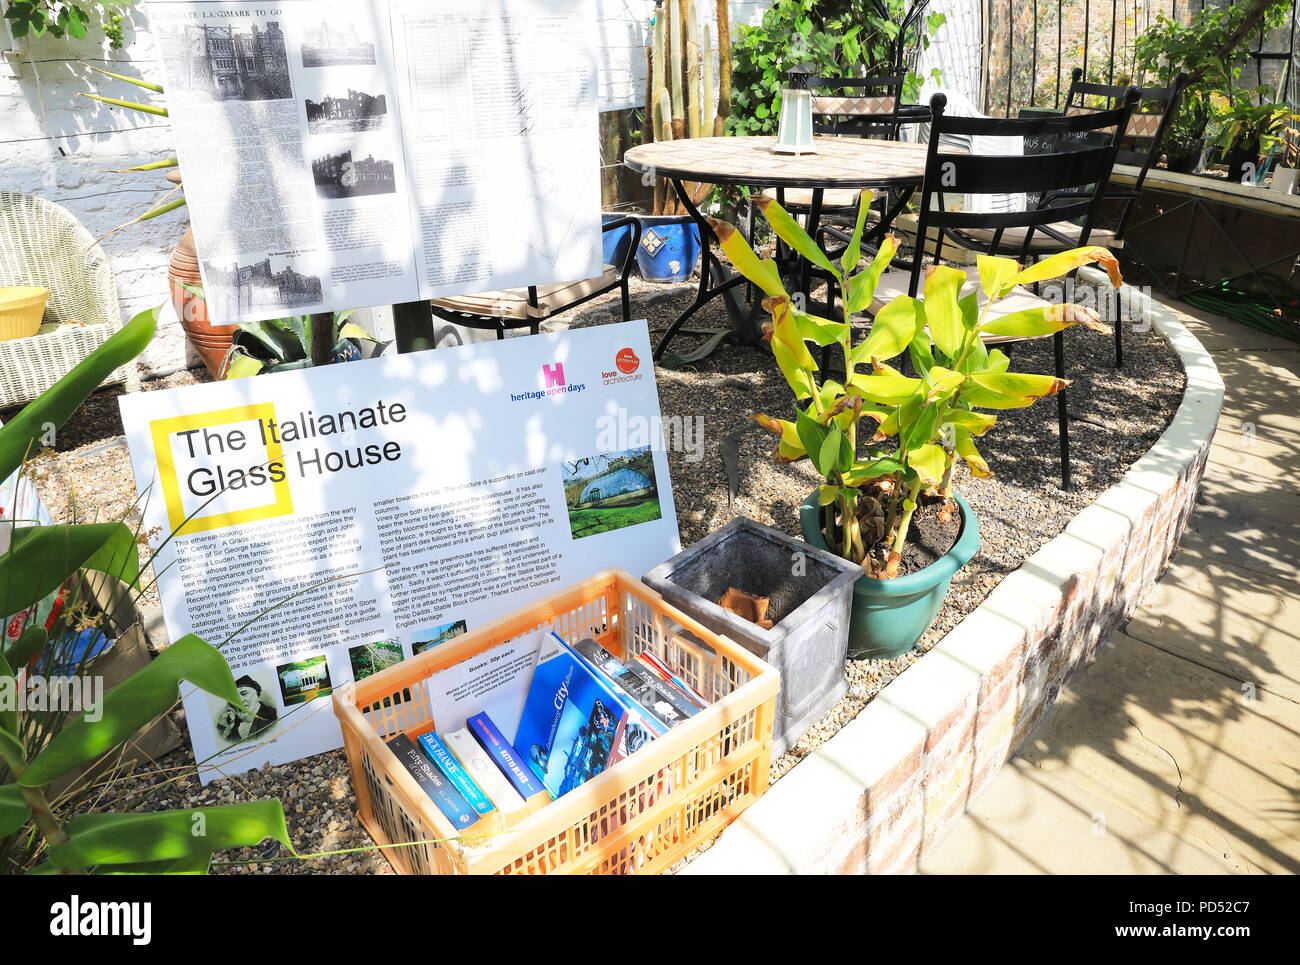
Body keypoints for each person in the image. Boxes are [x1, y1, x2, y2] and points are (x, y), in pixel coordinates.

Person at [215, 675, 278, 744]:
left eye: (244, 694)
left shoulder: (274, 717)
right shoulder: (231, 724)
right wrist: (230, 728)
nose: (239, 700)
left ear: (258, 695)